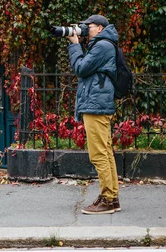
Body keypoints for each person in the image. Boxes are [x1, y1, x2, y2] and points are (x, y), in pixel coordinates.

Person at [67, 14, 120, 214]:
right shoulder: (103, 44)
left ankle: (107, 199)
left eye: (88, 27)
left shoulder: (102, 46)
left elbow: (80, 68)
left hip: (96, 105)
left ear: (99, 28)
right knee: (105, 153)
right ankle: (112, 197)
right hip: (98, 103)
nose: (85, 30)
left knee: (98, 154)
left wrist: (74, 44)